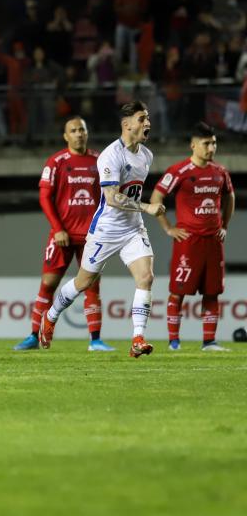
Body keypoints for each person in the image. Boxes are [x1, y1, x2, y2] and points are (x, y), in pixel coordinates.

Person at [39, 101, 166, 358]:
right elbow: (111, 197)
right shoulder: (111, 155)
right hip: (106, 230)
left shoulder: (146, 155)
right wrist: (147, 207)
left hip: (133, 229)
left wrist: (141, 212)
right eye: (142, 119)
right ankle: (50, 316)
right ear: (126, 124)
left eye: (147, 118)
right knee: (83, 282)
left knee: (146, 277)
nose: (148, 123)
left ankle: (138, 339)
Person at [14, 117, 113, 352]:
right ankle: (34, 335)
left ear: (87, 133)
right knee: (48, 283)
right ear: (66, 136)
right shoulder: (56, 162)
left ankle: (95, 340)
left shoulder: (100, 160)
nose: (78, 134)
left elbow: (110, 195)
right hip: (62, 235)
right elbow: (44, 197)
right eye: (73, 130)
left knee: (92, 285)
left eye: (82, 130)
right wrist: (58, 228)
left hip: (91, 236)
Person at [150, 122, 235, 351]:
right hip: (188, 242)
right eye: (206, 144)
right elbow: (156, 198)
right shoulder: (178, 171)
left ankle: (209, 342)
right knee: (178, 292)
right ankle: (174, 342)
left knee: (212, 293)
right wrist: (168, 228)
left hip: (214, 242)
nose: (211, 148)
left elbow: (230, 197)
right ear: (193, 145)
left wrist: (225, 225)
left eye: (214, 143)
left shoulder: (220, 172)